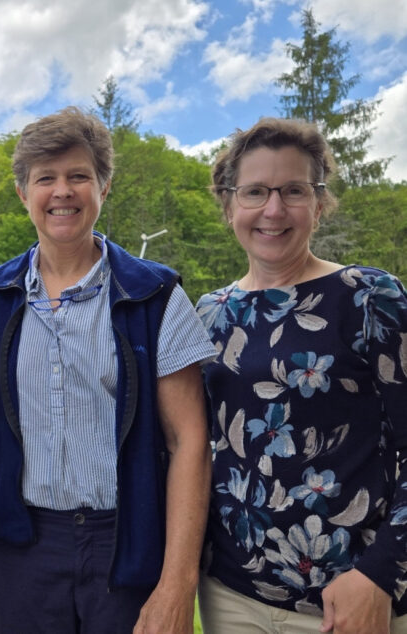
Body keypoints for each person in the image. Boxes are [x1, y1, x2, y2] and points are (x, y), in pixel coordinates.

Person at [0, 106, 215, 633]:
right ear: (22, 192)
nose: (63, 192)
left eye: (79, 176)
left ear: (104, 186)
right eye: (45, 179)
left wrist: (176, 583)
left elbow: (189, 439)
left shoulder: (155, 295)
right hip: (24, 545)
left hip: (126, 543)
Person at [196, 117, 407, 633]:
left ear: (318, 203)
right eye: (255, 192)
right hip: (230, 597)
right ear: (229, 205)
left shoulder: (369, 298)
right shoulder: (209, 314)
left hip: (352, 601)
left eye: (293, 190)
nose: (273, 209)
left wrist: (380, 574)